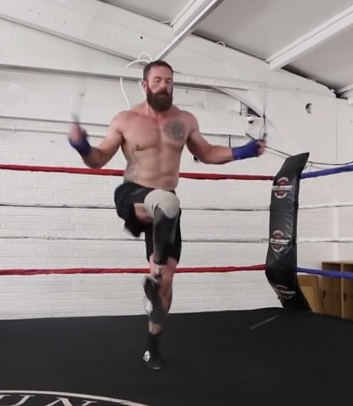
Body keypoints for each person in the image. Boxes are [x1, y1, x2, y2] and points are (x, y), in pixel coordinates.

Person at [68, 60, 265, 370]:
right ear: (145, 85)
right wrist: (81, 146)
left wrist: (243, 151)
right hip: (133, 195)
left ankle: (152, 346)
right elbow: (98, 159)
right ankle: (156, 269)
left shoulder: (184, 121)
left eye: (169, 81)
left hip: (165, 208)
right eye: (158, 80)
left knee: (167, 281)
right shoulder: (126, 120)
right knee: (166, 202)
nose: (164, 85)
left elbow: (206, 153)